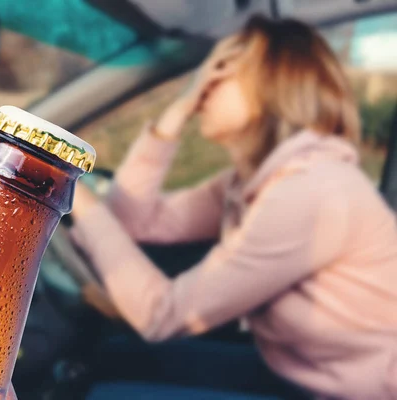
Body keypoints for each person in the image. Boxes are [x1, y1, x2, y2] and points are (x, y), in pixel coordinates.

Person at [71, 15, 397, 399]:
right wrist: (172, 118)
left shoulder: (312, 192)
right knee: (116, 358)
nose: (203, 82)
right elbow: (134, 222)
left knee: (111, 396)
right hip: (297, 376)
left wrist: (75, 193)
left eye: (222, 68)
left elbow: (163, 315)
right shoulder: (250, 183)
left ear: (272, 85)